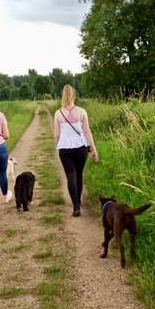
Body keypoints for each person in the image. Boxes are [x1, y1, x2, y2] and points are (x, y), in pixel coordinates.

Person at [54, 84, 98, 217]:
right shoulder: (82, 112)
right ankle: (78, 201)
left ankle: (76, 206)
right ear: (74, 95)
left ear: (62, 96)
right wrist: (94, 150)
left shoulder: (58, 113)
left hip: (65, 149)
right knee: (79, 175)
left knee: (70, 176)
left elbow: (56, 135)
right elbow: (87, 132)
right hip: (81, 148)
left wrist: (59, 146)